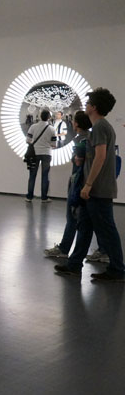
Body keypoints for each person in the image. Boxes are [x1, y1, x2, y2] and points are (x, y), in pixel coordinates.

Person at [56, 88, 125, 282]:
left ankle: (117, 270)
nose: (85, 106)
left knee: (107, 229)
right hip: (94, 189)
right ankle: (74, 265)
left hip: (98, 189)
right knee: (84, 227)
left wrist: (88, 184)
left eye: (87, 103)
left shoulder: (101, 127)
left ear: (93, 107)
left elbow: (100, 157)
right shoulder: (100, 127)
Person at [45, 111, 94, 258]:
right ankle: (102, 251)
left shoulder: (80, 139)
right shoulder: (91, 137)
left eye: (74, 121)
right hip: (85, 182)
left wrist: (76, 158)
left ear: (77, 124)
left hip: (78, 182)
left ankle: (65, 250)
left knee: (73, 216)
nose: (72, 122)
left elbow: (78, 161)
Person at [25, 109, 57, 202]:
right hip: (47, 153)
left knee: (32, 175)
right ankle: (44, 197)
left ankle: (29, 196)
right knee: (45, 176)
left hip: (34, 153)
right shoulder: (52, 129)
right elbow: (54, 144)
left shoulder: (33, 127)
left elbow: (28, 140)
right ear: (49, 117)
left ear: (40, 116)